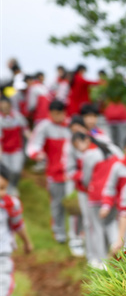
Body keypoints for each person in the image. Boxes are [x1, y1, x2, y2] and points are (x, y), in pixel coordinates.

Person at [27, 100, 77, 251]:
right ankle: (59, 232)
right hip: (54, 173)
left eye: (60, 113)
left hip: (71, 173)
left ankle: (75, 235)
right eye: (55, 114)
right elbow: (33, 145)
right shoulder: (44, 127)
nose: (58, 117)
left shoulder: (71, 125)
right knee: (57, 204)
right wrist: (38, 154)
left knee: (74, 205)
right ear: (50, 113)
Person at [68, 131, 113, 267]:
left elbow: (86, 178)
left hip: (95, 196)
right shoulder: (109, 149)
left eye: (78, 144)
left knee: (96, 228)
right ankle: (114, 259)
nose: (79, 148)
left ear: (87, 140)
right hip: (111, 195)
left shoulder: (89, 154)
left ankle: (100, 260)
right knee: (110, 226)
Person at [0, 167, 34, 296]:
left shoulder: (10, 203)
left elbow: (17, 224)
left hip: (2, 258)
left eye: (3, 188)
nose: (1, 192)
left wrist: (27, 243)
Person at [0, 96, 27, 196]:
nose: (5, 108)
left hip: (17, 149)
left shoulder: (17, 116)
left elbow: (25, 129)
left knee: (16, 170)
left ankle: (14, 185)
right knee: (8, 170)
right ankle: (9, 188)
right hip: (5, 151)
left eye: (6, 106)